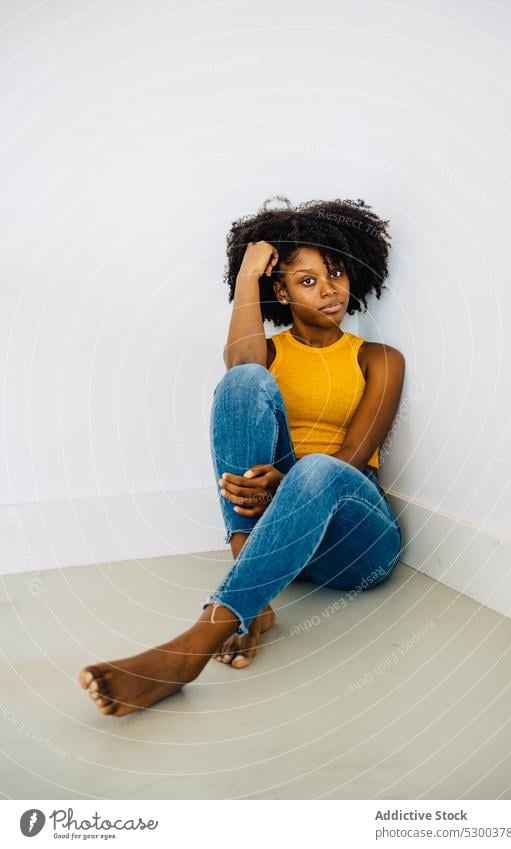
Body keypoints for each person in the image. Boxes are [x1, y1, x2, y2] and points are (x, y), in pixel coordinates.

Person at [79, 196, 405, 717]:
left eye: (336, 274)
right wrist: (247, 277)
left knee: (321, 468)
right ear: (280, 289)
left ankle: (193, 646)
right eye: (306, 280)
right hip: (283, 538)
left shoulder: (378, 358)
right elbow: (242, 365)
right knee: (242, 380)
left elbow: (353, 458)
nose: (329, 290)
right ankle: (254, 603)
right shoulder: (271, 350)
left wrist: (283, 482)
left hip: (356, 544)